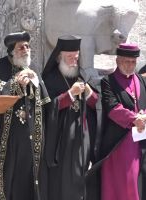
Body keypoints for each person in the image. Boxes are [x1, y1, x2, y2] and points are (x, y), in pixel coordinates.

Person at [0, 31, 51, 200]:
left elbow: (45, 101)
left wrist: (34, 82)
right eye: (21, 47)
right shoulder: (0, 68)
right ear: (11, 51)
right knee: (8, 175)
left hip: (31, 136)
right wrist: (15, 82)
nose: (26, 50)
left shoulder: (34, 68)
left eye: (28, 46)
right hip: (7, 137)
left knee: (28, 177)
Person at [42, 35, 99, 200]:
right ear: (59, 57)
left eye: (76, 56)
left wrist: (89, 93)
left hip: (82, 136)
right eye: (69, 57)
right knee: (62, 179)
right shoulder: (49, 78)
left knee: (79, 175)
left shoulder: (81, 76)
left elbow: (97, 105)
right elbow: (47, 107)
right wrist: (70, 94)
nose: (74, 60)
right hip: (60, 138)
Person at [99, 44, 145, 200]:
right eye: (126, 61)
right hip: (120, 142)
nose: (130, 65)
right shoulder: (108, 81)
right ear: (118, 60)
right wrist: (134, 119)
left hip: (141, 140)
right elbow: (112, 108)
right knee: (125, 183)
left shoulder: (140, 79)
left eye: (133, 62)